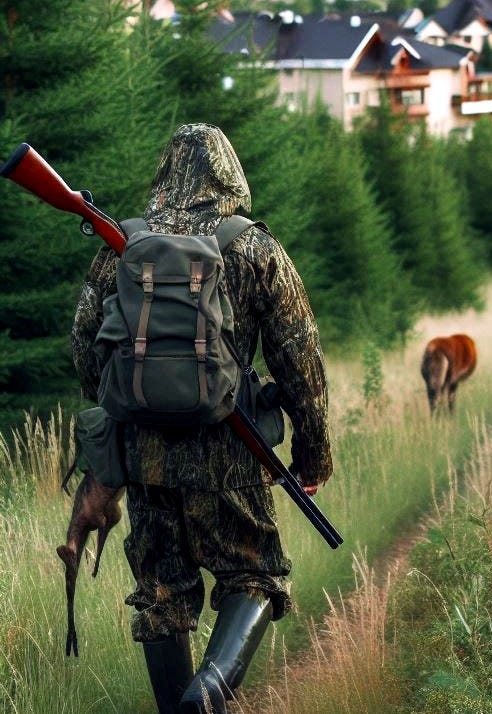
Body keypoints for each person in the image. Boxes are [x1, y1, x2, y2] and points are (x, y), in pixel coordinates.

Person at [70, 123, 333, 714]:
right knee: (254, 574)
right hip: (233, 459)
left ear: (165, 173)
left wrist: (129, 411)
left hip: (146, 458)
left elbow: (85, 341)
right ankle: (209, 695)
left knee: (162, 594)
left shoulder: (123, 245)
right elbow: (301, 359)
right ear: (229, 174)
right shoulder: (254, 247)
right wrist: (313, 454)